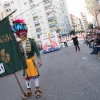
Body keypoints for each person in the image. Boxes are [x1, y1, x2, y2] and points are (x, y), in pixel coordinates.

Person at [12, 18, 42, 98]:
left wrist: (39, 60)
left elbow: (37, 52)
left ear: (25, 34)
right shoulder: (18, 43)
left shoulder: (32, 41)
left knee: (35, 76)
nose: (20, 36)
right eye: (19, 35)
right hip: (24, 63)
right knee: (26, 77)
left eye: (21, 34)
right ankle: (29, 90)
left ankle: (37, 90)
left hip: (31, 62)